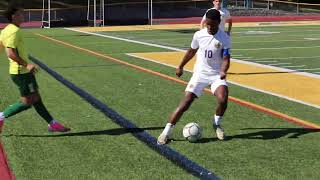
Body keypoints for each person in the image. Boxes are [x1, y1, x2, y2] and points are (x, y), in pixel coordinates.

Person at [157, 9, 231, 145]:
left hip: (216, 75)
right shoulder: (199, 35)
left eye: (212, 25)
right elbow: (191, 51)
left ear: (219, 23)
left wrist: (223, 71)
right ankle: (166, 132)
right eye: (207, 24)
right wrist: (180, 66)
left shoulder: (225, 38)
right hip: (200, 74)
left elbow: (226, 58)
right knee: (185, 103)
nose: (209, 27)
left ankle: (216, 124)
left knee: (223, 98)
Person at [0, 5, 70, 133]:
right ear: (13, 16)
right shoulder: (14, 31)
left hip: (21, 72)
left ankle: (52, 124)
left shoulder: (6, 29)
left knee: (36, 98)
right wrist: (27, 65)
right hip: (21, 72)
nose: (23, 16)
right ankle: (1, 116)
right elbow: (10, 52)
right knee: (28, 101)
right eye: (21, 14)